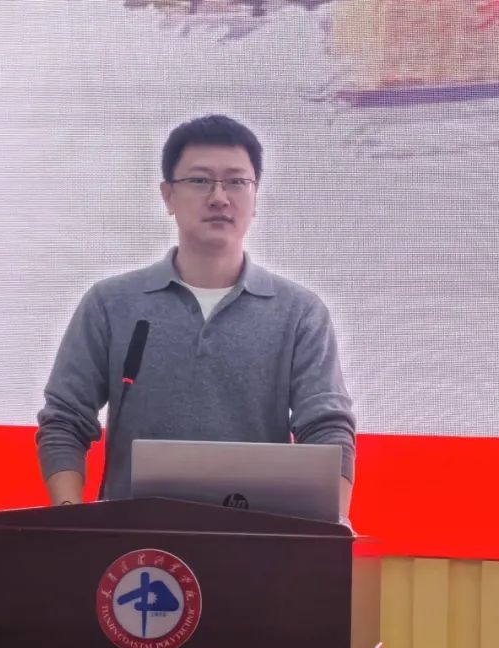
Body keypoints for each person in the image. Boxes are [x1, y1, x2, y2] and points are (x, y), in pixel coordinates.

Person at [36, 114, 356, 518]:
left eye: (236, 182)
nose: (219, 197)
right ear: (168, 195)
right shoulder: (111, 304)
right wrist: (70, 520)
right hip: (135, 545)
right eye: (200, 180)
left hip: (260, 541)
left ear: (255, 197)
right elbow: (65, 420)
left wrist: (329, 529)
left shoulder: (299, 313)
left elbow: (327, 429)